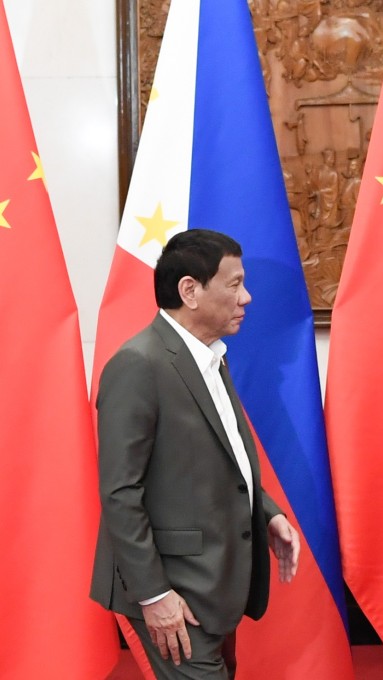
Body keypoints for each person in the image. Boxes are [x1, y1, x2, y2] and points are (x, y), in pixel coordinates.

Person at [90, 229, 301, 679]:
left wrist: (266, 514)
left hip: (214, 583)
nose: (246, 297)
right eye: (234, 284)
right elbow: (120, 491)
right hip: (174, 589)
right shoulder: (138, 365)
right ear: (190, 290)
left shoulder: (210, 357)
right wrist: (153, 595)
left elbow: (220, 460)